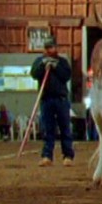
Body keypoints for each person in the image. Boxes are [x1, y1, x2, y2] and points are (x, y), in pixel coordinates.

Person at [30, 37, 75, 167]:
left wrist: (56, 67)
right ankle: (47, 156)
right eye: (47, 48)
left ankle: (68, 156)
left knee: (65, 128)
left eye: (51, 47)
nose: (49, 50)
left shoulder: (63, 62)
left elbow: (66, 76)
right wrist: (42, 66)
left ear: (56, 48)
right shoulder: (39, 61)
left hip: (61, 99)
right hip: (46, 99)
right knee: (47, 129)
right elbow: (34, 74)